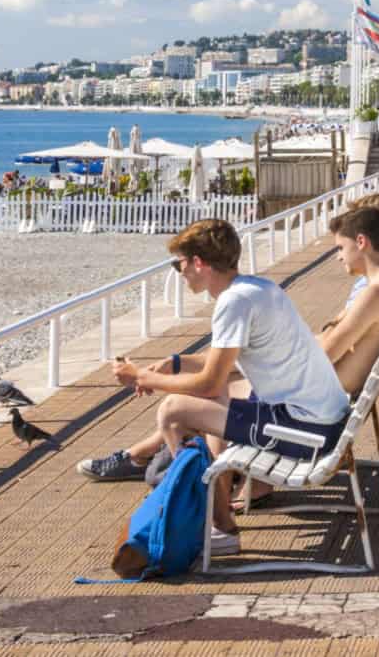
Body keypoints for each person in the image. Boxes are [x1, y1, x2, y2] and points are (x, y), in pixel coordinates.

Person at [96, 218, 353, 556]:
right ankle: (216, 502)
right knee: (215, 398)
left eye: (180, 264)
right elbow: (222, 364)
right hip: (323, 420)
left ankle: (218, 526)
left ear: (199, 263)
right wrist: (174, 364)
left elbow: (209, 380)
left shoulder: (234, 303)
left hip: (308, 433)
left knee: (173, 411)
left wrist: (142, 378)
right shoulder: (259, 289)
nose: (180, 271)